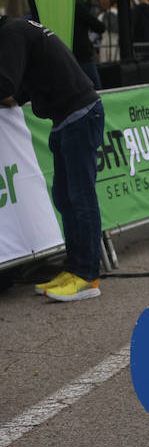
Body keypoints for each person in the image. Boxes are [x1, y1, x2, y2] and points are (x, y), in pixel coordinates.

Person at [0, 16, 106, 301]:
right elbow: (15, 93)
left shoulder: (11, 34)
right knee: (65, 198)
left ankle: (86, 276)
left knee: (80, 199)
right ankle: (75, 269)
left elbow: (4, 83)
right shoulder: (19, 30)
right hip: (68, 118)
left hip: (78, 116)